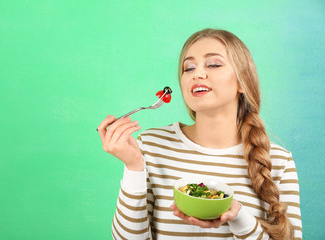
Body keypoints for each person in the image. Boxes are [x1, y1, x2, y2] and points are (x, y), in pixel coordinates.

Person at [97, 28, 302, 239]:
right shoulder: (151, 145)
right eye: (189, 68)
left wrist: (239, 218)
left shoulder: (279, 161)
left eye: (213, 64)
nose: (197, 74)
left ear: (242, 81)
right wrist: (134, 168)